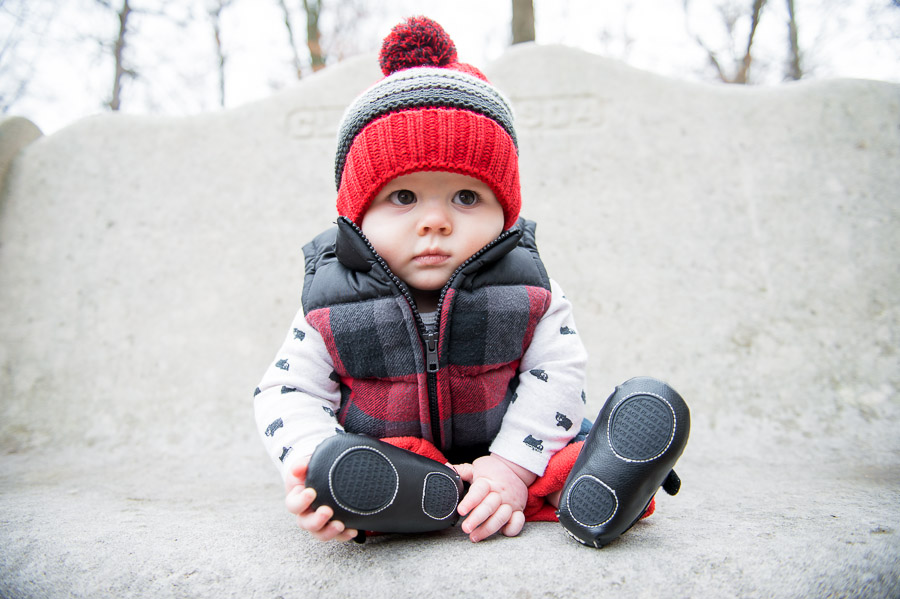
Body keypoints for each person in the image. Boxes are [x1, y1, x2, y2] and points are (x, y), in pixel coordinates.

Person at [254, 16, 689, 547]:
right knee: (361, 467)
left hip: (517, 447)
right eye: (403, 197)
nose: (434, 222)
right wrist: (308, 458)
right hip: (397, 458)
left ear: (504, 213)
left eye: (466, 198)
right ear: (355, 214)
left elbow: (558, 373)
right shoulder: (329, 302)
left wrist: (509, 467)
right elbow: (287, 389)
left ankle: (600, 480)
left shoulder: (528, 293)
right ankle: (365, 490)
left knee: (561, 450)